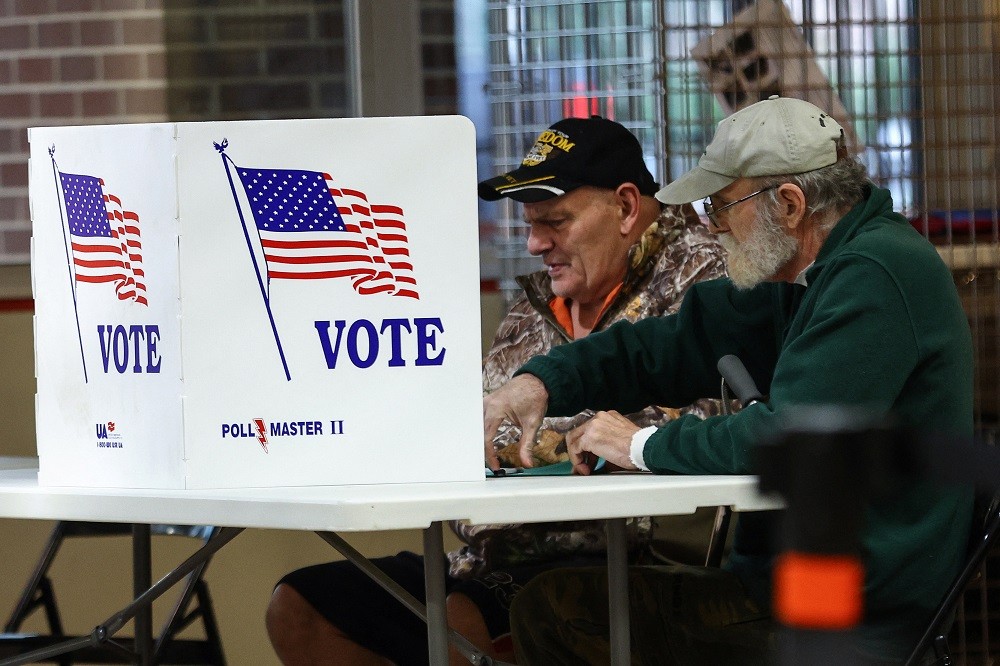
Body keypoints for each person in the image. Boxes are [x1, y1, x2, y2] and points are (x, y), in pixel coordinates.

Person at [485, 96, 975, 664]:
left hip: (850, 608)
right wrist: (541, 383)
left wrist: (638, 444)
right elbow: (665, 345)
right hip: (802, 584)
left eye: (719, 206)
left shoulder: (874, 275)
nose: (710, 225)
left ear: (789, 205)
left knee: (559, 608)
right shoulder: (804, 274)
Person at [265, 116, 728, 665]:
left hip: (625, 559)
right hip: (489, 554)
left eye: (555, 221)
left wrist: (520, 446)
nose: (535, 243)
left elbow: (685, 427)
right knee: (300, 606)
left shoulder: (705, 275)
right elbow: (476, 426)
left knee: (460, 621)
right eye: (530, 223)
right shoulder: (537, 302)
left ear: (626, 208)